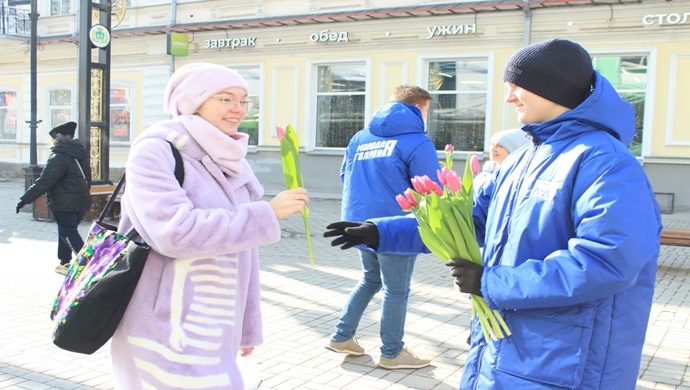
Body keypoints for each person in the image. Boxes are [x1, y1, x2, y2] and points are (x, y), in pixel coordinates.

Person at [325, 38, 662, 389]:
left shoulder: (604, 162)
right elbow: (473, 219)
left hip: (566, 362)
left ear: (553, 88)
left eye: (518, 86)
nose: (509, 97)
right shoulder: (524, 158)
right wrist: (384, 232)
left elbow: (608, 262)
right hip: (506, 346)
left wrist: (490, 282)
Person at [110, 62, 309, 390]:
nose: (238, 109)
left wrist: (246, 327)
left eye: (244, 100)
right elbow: (175, 233)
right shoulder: (155, 151)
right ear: (193, 100)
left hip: (217, 325)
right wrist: (266, 214)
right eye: (225, 98)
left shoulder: (230, 157)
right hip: (164, 325)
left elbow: (245, 255)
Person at [324, 85, 440, 370]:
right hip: (395, 226)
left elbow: (345, 175)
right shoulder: (417, 141)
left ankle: (342, 336)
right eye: (426, 109)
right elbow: (430, 187)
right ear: (418, 107)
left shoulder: (360, 137)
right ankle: (392, 352)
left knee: (371, 280)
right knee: (396, 290)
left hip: (359, 222)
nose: (426, 115)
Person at [16, 121, 92, 275]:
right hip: (81, 200)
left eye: (52, 138)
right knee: (66, 230)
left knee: (68, 231)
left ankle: (87, 263)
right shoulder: (79, 154)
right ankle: (64, 262)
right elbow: (88, 178)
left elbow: (44, 182)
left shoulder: (59, 157)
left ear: (57, 139)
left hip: (65, 203)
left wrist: (25, 199)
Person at [472, 128, 529, 194]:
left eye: (499, 146)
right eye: (492, 144)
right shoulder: (487, 172)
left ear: (515, 151)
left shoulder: (519, 179)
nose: (492, 149)